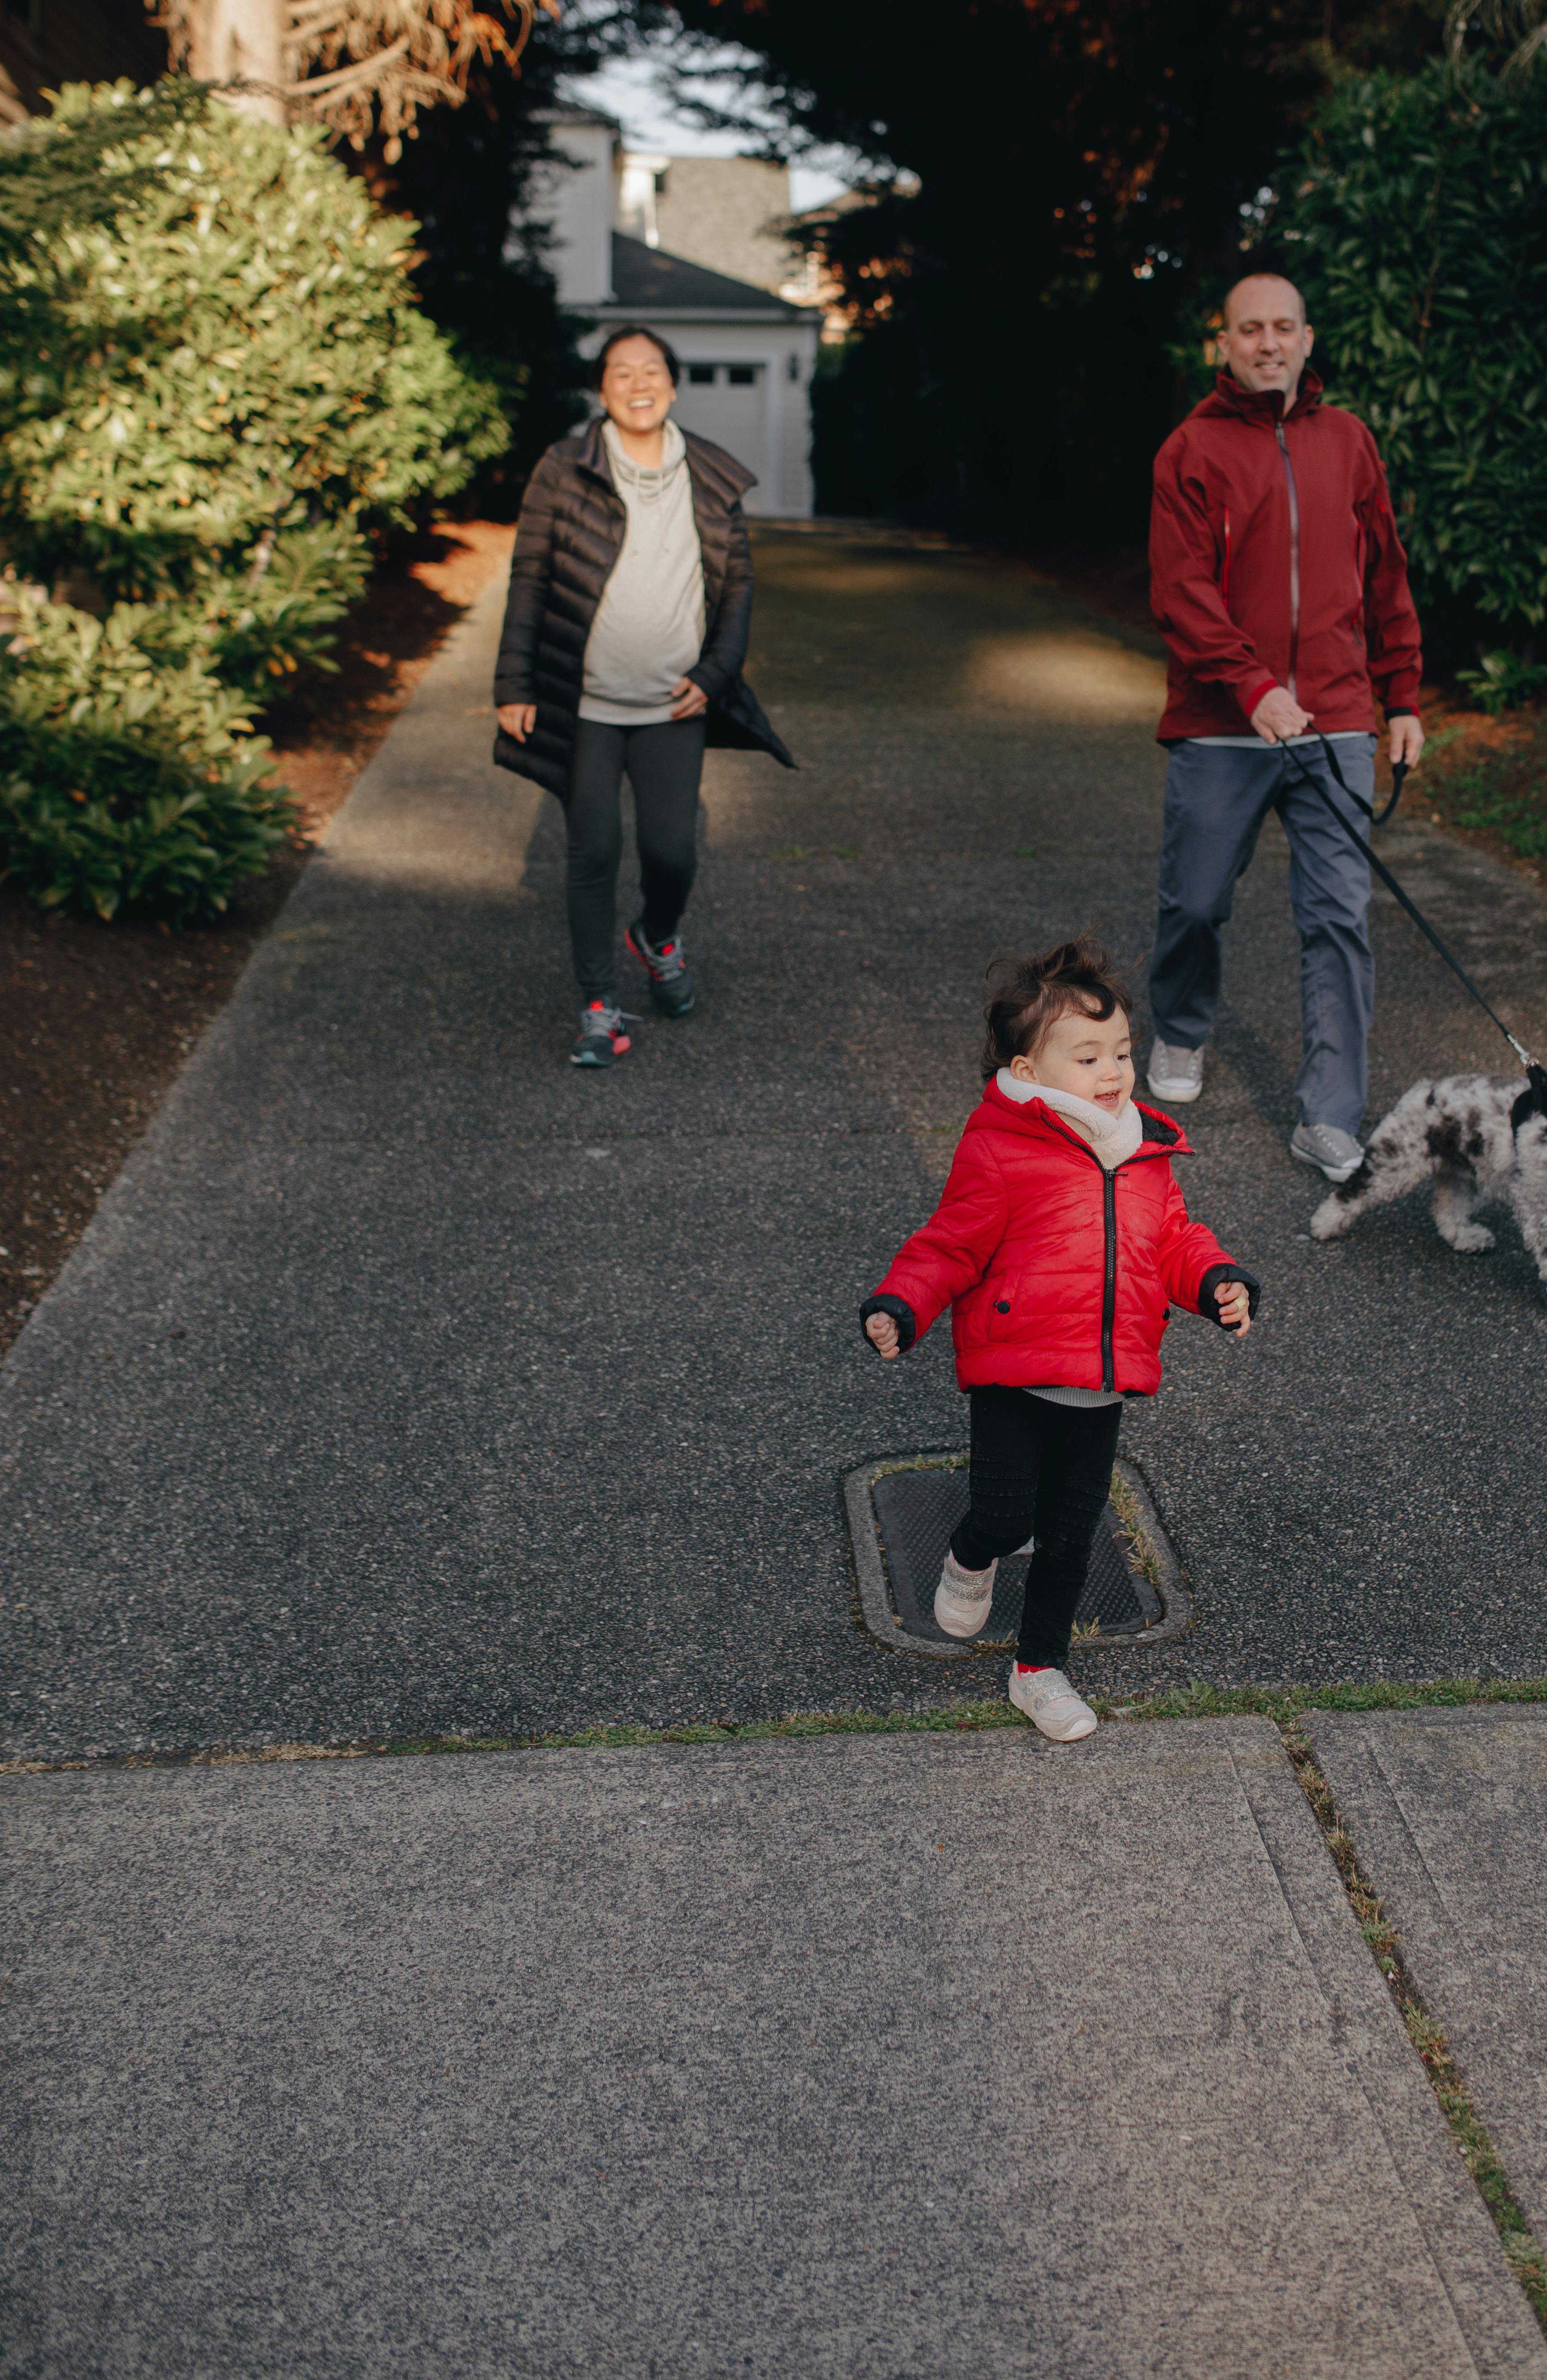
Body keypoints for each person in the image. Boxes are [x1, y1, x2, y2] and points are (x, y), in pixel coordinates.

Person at [860, 936, 1258, 1743]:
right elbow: (951, 1243)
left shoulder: (1144, 1149)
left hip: (1102, 1378)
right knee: (1006, 1514)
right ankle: (972, 1557)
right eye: (1088, 1056)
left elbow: (1172, 1239)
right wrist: (903, 1304)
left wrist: (1216, 1278)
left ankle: (1040, 1670)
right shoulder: (1003, 1146)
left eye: (1121, 1051)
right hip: (1015, 1372)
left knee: (1073, 1532)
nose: (1113, 1071)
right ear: (1031, 1071)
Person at [1146, 264, 1424, 1181]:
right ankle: (1182, 1030)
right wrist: (1252, 684)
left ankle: (1331, 1113)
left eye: (1284, 328)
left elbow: (1385, 575)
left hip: (1337, 719)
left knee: (1338, 917)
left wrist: (1404, 695)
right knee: (1194, 899)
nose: (1268, 342)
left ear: (1308, 341)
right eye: (1249, 328)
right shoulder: (1190, 449)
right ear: (1224, 343)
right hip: (1225, 721)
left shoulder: (1350, 441)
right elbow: (1180, 593)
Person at [493, 325, 794, 1066]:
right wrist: (514, 681)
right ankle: (598, 1005)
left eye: (651, 369)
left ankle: (658, 935)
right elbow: (529, 576)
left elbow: (738, 591)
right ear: (602, 390)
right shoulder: (565, 469)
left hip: (673, 704)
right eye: (621, 372)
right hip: (582, 702)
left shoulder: (713, 475)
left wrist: (715, 675)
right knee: (592, 848)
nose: (637, 382)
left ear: (673, 384)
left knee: (671, 853)